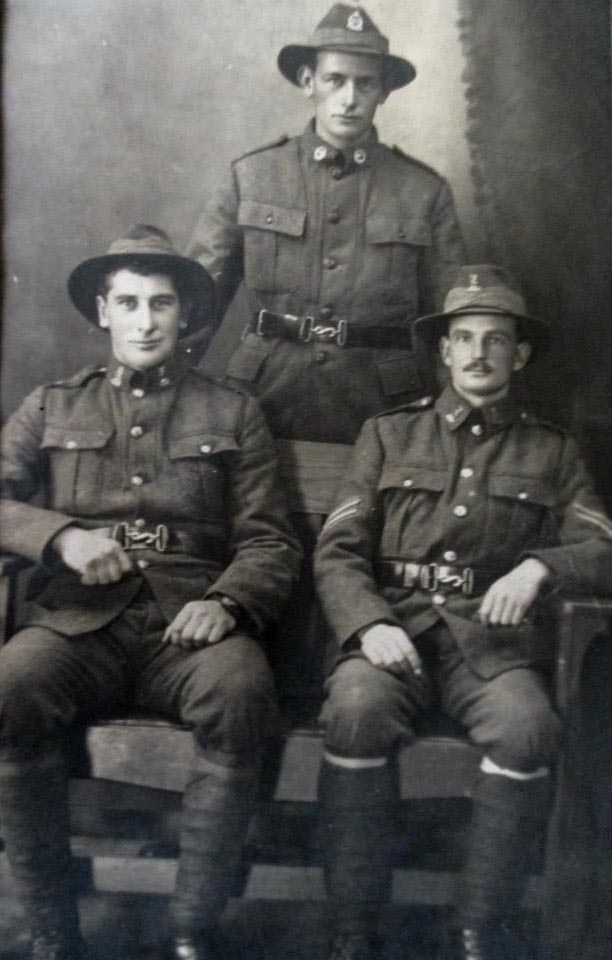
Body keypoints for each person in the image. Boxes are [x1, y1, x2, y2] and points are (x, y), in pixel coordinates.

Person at [0, 224, 302, 960]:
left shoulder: (233, 412)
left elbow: (271, 540)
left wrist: (226, 604)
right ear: (102, 311)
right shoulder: (52, 405)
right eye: (128, 302)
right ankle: (49, 930)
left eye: (160, 304)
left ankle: (191, 932)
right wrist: (61, 537)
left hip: (189, 629)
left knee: (240, 691)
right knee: (10, 685)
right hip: (80, 623)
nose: (144, 320)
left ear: (185, 315)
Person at [313, 264, 612, 960]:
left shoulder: (554, 448)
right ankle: (353, 928)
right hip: (395, 630)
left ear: (521, 355)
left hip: (493, 641)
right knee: (355, 709)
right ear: (444, 350)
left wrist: (542, 567)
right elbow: (337, 549)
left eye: (497, 339)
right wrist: (370, 623)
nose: (479, 352)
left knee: (529, 727)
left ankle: (479, 930)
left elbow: (601, 544)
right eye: (465, 338)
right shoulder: (388, 434)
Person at [188, 3, 466, 445]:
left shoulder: (423, 190)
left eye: (365, 83)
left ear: (384, 92)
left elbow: (452, 323)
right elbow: (196, 306)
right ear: (308, 82)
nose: (350, 98)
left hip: (385, 408)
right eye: (335, 80)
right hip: (264, 398)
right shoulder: (252, 176)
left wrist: (453, 426)